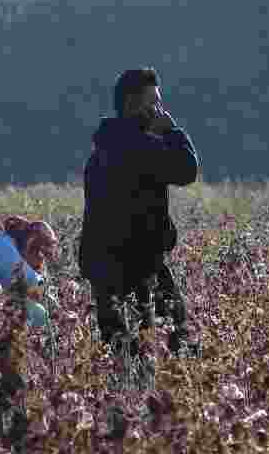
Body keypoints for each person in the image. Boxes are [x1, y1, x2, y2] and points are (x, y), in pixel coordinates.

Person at [78, 67, 201, 356]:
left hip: (107, 270)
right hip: (136, 269)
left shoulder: (105, 148)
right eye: (154, 102)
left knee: (123, 355)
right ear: (134, 104)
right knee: (173, 348)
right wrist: (171, 131)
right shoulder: (138, 148)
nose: (159, 109)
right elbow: (187, 169)